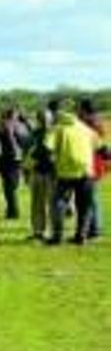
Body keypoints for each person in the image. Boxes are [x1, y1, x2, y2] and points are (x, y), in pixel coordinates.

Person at [46, 100, 100, 245]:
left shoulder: (57, 128)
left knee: (58, 203)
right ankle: (81, 236)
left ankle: (57, 236)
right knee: (84, 205)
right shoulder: (86, 129)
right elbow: (101, 148)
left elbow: (47, 148)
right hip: (86, 171)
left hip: (65, 172)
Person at [24, 109, 55, 240]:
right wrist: (26, 171)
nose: (44, 120)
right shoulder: (33, 134)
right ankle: (38, 231)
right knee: (36, 204)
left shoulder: (55, 133)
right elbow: (27, 151)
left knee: (51, 204)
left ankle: (52, 231)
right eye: (42, 118)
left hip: (50, 173)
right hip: (36, 172)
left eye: (46, 118)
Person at [0, 108, 31, 219]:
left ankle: (13, 211)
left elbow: (8, 139)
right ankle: (11, 210)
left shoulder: (6, 124)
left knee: (8, 187)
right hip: (19, 158)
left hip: (8, 158)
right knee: (12, 186)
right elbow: (27, 140)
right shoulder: (23, 125)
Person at [77, 99, 105, 239]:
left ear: (84, 109)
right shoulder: (97, 120)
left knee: (91, 199)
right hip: (96, 162)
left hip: (92, 162)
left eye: (79, 109)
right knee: (93, 198)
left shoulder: (88, 123)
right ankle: (94, 228)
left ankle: (95, 229)